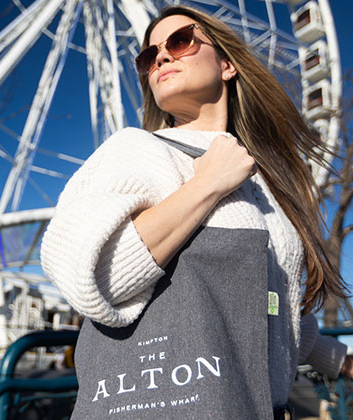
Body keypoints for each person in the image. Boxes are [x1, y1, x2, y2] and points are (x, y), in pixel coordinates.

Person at [41, 5, 352, 419]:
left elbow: (265, 306)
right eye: (149, 56)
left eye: (180, 41)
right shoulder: (136, 150)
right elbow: (94, 278)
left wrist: (338, 358)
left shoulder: (265, 185)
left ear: (227, 64)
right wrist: (206, 185)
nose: (163, 57)